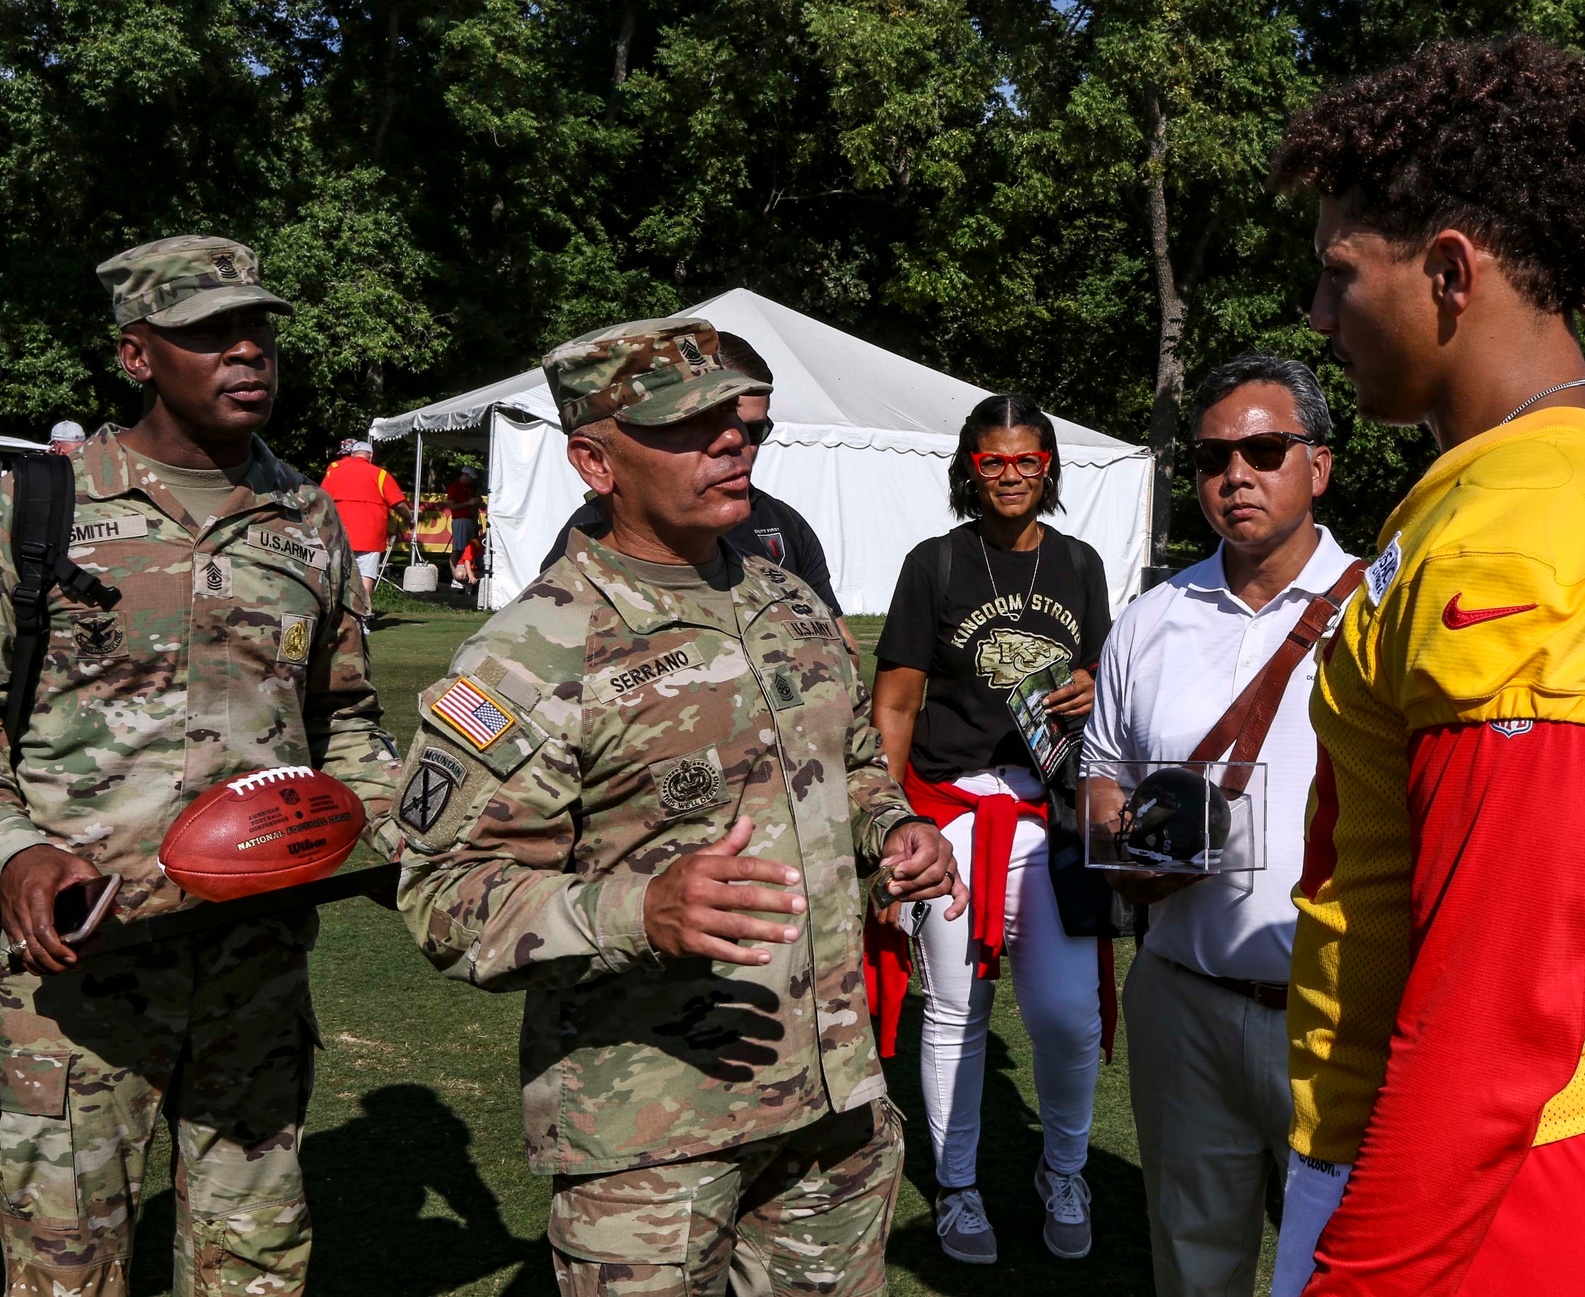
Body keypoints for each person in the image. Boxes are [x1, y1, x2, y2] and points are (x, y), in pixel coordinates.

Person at [1271, 36, 1585, 1297]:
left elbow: (1493, 1001)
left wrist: (1363, 1276)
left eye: (1339, 271)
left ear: (1451, 271)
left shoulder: (1520, 539)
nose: (1316, 314)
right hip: (1545, 1136)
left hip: (1479, 1183)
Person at [392, 316, 963, 1296]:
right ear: (593, 461)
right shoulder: (533, 652)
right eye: (683, 425)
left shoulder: (791, 604)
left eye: (738, 422)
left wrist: (891, 831)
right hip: (652, 1138)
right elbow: (441, 891)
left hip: (830, 1106)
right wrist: (635, 911)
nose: (729, 441)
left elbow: (855, 762)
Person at [0, 235, 402, 1295]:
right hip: (75, 982)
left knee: (255, 1266)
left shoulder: (307, 518)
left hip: (254, 967)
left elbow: (345, 717)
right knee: (61, 1268)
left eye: (257, 329)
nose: (246, 352)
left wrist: (391, 829)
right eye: (207, 333)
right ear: (137, 355)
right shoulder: (36, 507)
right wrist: (16, 850)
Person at [1081, 354, 1355, 1297]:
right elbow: (1100, 776)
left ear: (1317, 465)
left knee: (1342, 1267)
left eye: (1265, 449)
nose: (1235, 474)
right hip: (1182, 991)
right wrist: (1124, 856)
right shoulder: (1151, 618)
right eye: (1211, 458)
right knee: (1192, 1262)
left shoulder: (1384, 609)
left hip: (1336, 1009)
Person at [870, 393, 1113, 1265]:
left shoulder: (1080, 563)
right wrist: (888, 822)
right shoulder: (936, 563)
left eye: (1026, 460)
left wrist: (1092, 682)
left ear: (1048, 467)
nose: (1010, 474)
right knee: (955, 1009)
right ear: (968, 470)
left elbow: (1103, 683)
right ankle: (960, 1187)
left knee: (1064, 1014)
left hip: (1050, 814)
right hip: (953, 810)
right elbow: (895, 702)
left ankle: (1065, 1168)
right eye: (992, 461)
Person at [539, 332, 857, 653]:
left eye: (752, 428)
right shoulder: (539, 634)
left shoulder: (783, 543)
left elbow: (842, 652)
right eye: (684, 423)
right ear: (595, 462)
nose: (736, 439)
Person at [320, 437, 414, 602]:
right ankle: (362, 618)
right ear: (370, 457)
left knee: (337, 574)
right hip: (371, 535)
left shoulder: (334, 472)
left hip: (340, 532)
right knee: (366, 576)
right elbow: (399, 504)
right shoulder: (381, 475)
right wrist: (410, 519)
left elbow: (322, 499)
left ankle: (336, 617)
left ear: (353, 454)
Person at [444, 466, 480, 588]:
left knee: (467, 549)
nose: (471, 481)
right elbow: (452, 506)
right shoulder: (454, 487)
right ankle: (455, 577)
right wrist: (469, 503)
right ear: (465, 475)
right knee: (458, 549)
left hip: (469, 520)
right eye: (470, 478)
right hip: (460, 520)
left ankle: (465, 576)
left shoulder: (468, 489)